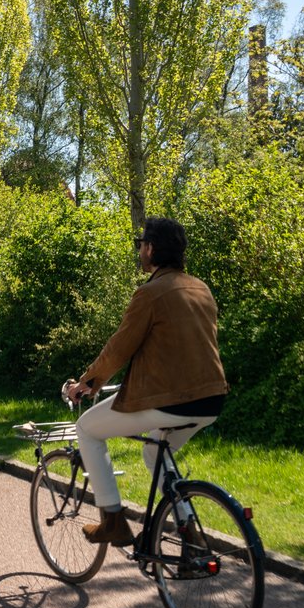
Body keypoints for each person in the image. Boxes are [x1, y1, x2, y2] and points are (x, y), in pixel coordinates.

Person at [65, 217, 228, 546]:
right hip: (212, 399)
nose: (140, 251)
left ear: (151, 249)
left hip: (168, 400)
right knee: (155, 455)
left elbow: (117, 350)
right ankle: (191, 534)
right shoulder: (201, 289)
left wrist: (86, 383)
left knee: (86, 429)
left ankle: (112, 521)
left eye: (142, 245)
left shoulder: (150, 293)